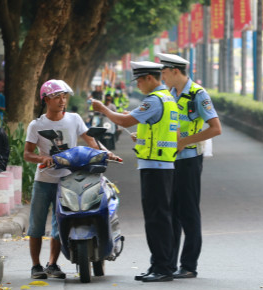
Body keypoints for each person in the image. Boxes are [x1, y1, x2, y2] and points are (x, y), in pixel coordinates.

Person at [91, 61, 179, 283]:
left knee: (156, 219)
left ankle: (162, 268)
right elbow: (161, 131)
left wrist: (103, 109)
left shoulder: (154, 100)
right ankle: (161, 264)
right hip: (161, 164)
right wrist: (140, 136)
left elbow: (125, 120)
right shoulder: (168, 98)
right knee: (160, 218)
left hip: (155, 166)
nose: (138, 85)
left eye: (139, 80)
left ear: (150, 78)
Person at [24, 79, 119, 280]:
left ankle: (52, 264)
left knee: (62, 224)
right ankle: (35, 265)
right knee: (36, 225)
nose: (62, 100)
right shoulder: (37, 125)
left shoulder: (74, 119)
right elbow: (27, 154)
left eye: (64, 96)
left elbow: (91, 141)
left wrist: (106, 153)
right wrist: (43, 158)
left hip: (68, 180)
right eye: (56, 96)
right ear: (46, 100)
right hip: (44, 181)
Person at [157, 53, 222, 279]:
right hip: (171, 160)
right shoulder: (169, 95)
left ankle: (189, 264)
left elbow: (215, 128)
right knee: (172, 211)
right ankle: (171, 263)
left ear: (176, 71)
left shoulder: (198, 95)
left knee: (188, 213)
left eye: (164, 73)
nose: (162, 77)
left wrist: (184, 142)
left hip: (190, 160)